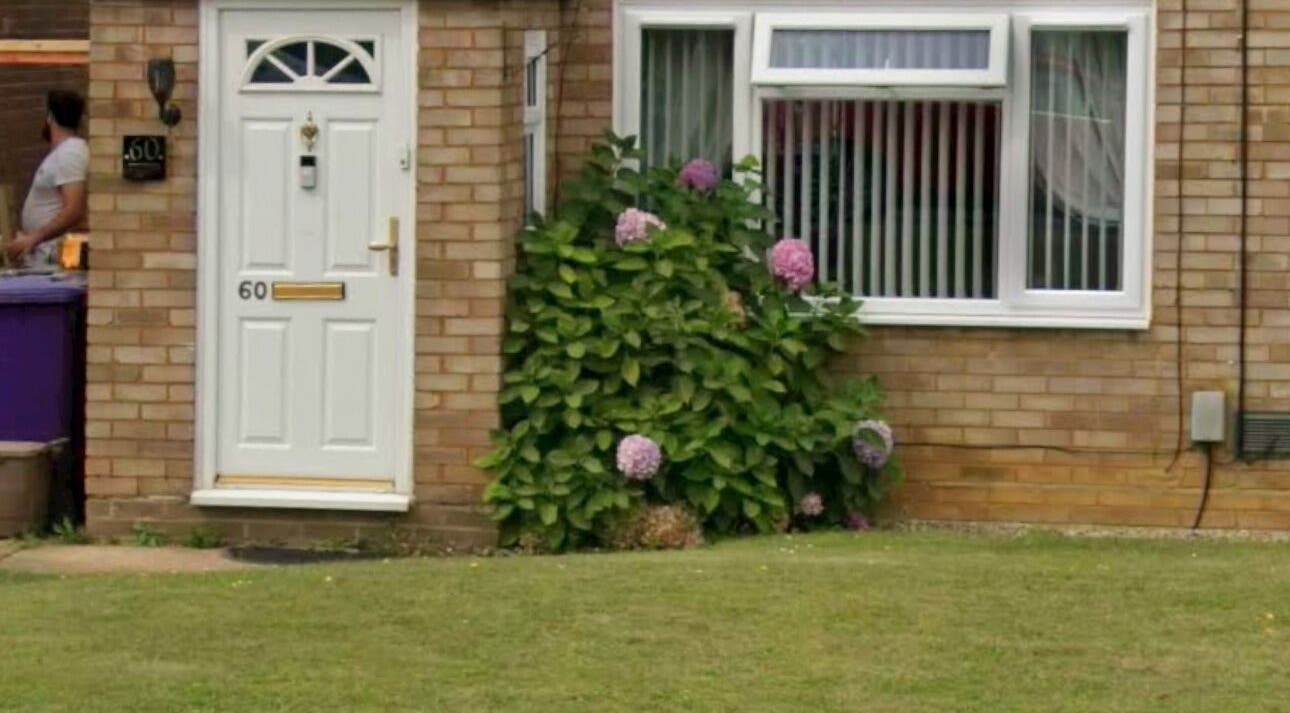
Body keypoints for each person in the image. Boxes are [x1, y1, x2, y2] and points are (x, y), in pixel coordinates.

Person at [4, 90, 89, 268]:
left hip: (56, 258)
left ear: (50, 116)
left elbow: (74, 210)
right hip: (44, 254)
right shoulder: (63, 153)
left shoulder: (71, 152)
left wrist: (34, 238)